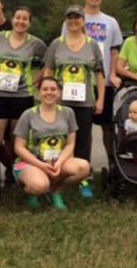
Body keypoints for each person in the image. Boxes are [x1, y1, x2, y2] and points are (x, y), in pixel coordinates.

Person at [0, 6, 47, 184]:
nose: (21, 21)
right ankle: (8, 165)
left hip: (23, 95)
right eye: (18, 18)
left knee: (16, 139)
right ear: (13, 20)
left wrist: (40, 78)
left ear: (30, 23)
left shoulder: (35, 43)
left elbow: (48, 61)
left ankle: (14, 174)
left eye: (25, 19)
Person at [44, 5, 105, 198]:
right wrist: (47, 94)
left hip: (85, 103)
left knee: (83, 142)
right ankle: (57, 178)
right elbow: (48, 71)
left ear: (83, 20)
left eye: (77, 17)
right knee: (59, 141)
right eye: (69, 17)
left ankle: (84, 179)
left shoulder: (92, 44)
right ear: (65, 21)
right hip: (61, 103)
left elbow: (99, 74)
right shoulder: (57, 43)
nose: (73, 21)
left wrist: (101, 99)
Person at [63, 0, 123, 168]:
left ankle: (113, 164)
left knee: (108, 127)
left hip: (103, 83)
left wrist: (112, 73)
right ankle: (81, 168)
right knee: (81, 128)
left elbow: (114, 51)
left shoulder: (110, 22)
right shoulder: (73, 19)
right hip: (78, 84)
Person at [13, 76, 90, 210]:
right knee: (39, 185)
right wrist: (41, 165)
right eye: (45, 89)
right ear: (38, 93)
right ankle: (34, 193)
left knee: (84, 167)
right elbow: (18, 147)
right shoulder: (28, 115)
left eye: (53, 89)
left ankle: (56, 192)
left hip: (56, 161)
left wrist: (59, 162)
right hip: (31, 162)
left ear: (59, 92)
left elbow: (70, 144)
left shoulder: (68, 113)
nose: (49, 92)